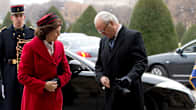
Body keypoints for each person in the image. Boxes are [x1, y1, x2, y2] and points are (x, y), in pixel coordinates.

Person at [94, 11, 148, 110]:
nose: (103, 34)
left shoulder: (133, 36)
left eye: (103, 31)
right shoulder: (103, 41)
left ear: (111, 23)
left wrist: (129, 78)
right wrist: (101, 77)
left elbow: (141, 62)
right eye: (100, 32)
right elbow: (98, 66)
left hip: (129, 97)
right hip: (110, 99)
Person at [17, 13, 72, 110]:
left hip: (54, 101)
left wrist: (58, 81)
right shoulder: (30, 48)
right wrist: (43, 85)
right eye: (56, 32)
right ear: (46, 31)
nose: (58, 35)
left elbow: (67, 72)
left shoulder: (59, 46)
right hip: (35, 101)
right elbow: (22, 76)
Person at [0, 4, 34, 110]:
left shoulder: (31, 34)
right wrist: (1, 79)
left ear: (24, 16)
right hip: (9, 73)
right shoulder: (4, 34)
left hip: (27, 74)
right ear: (12, 17)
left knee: (26, 103)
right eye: (16, 16)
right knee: (10, 104)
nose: (18, 18)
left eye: (21, 15)